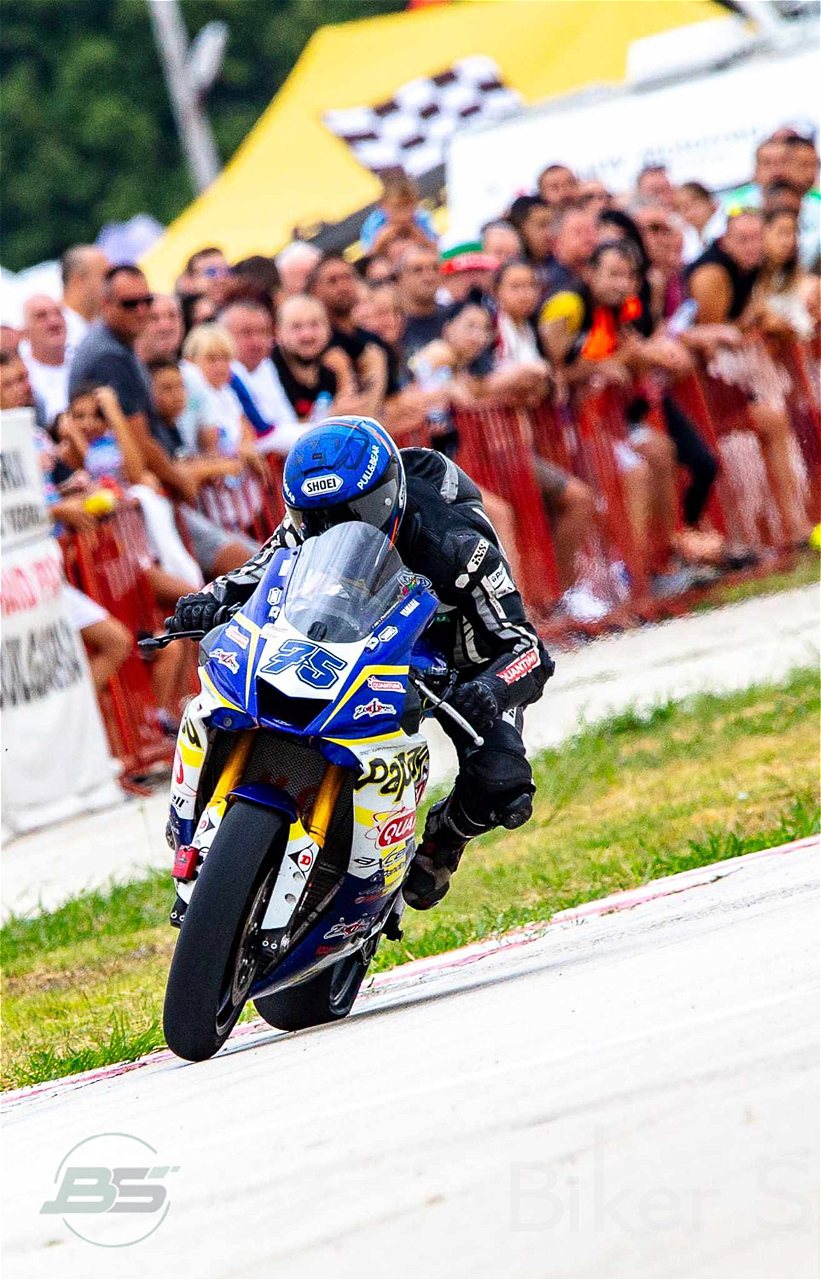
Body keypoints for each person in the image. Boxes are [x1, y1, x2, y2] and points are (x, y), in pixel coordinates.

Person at [167, 416, 554, 917]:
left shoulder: (457, 544)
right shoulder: (307, 523)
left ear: (392, 497)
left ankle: (443, 843)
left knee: (501, 783)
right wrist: (205, 602)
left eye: (357, 514)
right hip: (358, 623)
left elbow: (526, 646)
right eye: (319, 520)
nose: (336, 528)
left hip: (460, 650)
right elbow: (253, 575)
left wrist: (489, 690)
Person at [69, 265, 255, 577]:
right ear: (106, 305)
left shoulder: (120, 346)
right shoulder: (109, 356)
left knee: (247, 561)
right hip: (139, 499)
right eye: (130, 303)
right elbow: (139, 440)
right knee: (242, 565)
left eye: (147, 300)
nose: (141, 310)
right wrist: (180, 480)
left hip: (152, 492)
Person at [308, 253, 394, 415]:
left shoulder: (372, 341)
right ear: (315, 290)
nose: (342, 286)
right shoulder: (314, 345)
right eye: (332, 281)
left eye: (347, 278)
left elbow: (393, 398)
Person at [219, 299, 305, 454]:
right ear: (223, 336)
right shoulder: (224, 373)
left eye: (263, 332)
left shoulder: (266, 365)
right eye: (246, 333)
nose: (257, 341)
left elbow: (287, 419)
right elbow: (258, 431)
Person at [273, 294, 357, 420]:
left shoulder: (333, 364)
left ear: (329, 329)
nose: (307, 335)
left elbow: (354, 416)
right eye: (296, 326)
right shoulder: (269, 369)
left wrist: (344, 374)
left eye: (315, 325)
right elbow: (281, 426)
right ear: (278, 332)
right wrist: (331, 415)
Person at [359, 173, 438, 258]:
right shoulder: (375, 222)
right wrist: (382, 238)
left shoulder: (421, 217)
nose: (404, 215)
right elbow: (369, 257)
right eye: (397, 208)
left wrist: (416, 233)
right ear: (382, 205)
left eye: (410, 207)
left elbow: (436, 249)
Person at [20, 294, 69, 423]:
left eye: (58, 313)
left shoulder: (84, 362)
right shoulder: (21, 375)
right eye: (41, 316)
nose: (54, 321)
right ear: (25, 332)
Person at [395, 244, 449, 361]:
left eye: (435, 268)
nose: (429, 277)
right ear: (400, 278)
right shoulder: (392, 325)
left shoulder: (454, 317)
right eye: (418, 270)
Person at [60, 244, 110, 354]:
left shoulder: (101, 326)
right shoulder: (56, 329)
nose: (111, 285)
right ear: (77, 282)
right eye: (105, 277)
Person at [541, 205, 598, 299]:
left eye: (590, 231)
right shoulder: (545, 281)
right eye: (578, 232)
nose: (588, 238)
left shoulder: (601, 277)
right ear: (556, 242)